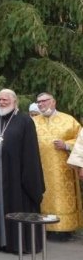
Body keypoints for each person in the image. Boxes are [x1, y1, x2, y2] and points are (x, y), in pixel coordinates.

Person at [0, 89, 44, 253]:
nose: (1, 102)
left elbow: (30, 151)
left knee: (17, 205)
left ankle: (18, 244)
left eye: (5, 100)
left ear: (14, 102)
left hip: (18, 175)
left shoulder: (25, 121)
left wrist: (27, 175)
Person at [32, 93, 82, 240]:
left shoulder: (68, 120)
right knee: (43, 196)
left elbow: (80, 139)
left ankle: (64, 229)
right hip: (39, 167)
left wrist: (66, 145)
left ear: (53, 102)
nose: (41, 104)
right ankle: (45, 229)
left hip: (62, 170)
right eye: (39, 102)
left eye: (44, 101)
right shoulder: (33, 121)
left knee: (61, 200)